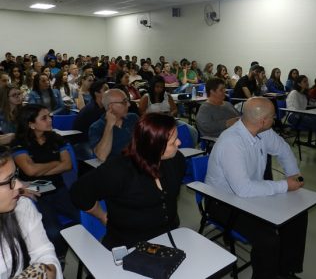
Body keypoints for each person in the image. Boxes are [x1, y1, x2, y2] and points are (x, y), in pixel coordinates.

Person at [205, 97, 307, 279]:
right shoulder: (231, 142)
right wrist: (285, 185)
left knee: (297, 215)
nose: (275, 119)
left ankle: (285, 270)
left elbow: (283, 149)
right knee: (268, 239)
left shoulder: (261, 131)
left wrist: (293, 175)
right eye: (273, 116)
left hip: (251, 194)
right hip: (223, 202)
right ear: (263, 121)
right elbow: (243, 190)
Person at [70, 113, 185, 250]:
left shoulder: (176, 160)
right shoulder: (119, 170)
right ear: (154, 146)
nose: (179, 143)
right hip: (130, 245)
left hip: (170, 237)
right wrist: (101, 216)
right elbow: (78, 193)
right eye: (173, 141)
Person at [12, 104, 80, 263]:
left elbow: (68, 165)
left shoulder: (56, 138)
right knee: (53, 231)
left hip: (59, 189)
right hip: (35, 194)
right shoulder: (19, 143)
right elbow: (30, 171)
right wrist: (55, 163)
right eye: (44, 118)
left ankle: (81, 253)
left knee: (81, 218)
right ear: (31, 124)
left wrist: (39, 168)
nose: (50, 120)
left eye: (49, 116)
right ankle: (61, 259)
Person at [0, 146, 62, 279]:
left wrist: (42, 271)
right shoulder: (25, 143)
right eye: (8, 180)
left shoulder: (21, 207)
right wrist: (56, 163)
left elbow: (44, 253)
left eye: (15, 176)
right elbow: (31, 170)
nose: (19, 186)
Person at [139, 76, 197, 144]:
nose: (160, 89)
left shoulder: (167, 96)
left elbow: (175, 109)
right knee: (167, 134)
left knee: (192, 131)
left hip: (169, 120)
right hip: (154, 123)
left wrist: (170, 114)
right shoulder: (146, 97)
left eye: (162, 87)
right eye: (157, 87)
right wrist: (155, 116)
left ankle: (191, 147)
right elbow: (142, 114)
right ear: (152, 86)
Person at [89, 89, 138, 162]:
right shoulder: (96, 127)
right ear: (111, 107)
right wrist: (109, 125)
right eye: (124, 102)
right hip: (117, 167)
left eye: (127, 101)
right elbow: (102, 156)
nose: (129, 104)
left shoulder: (133, 118)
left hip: (137, 162)